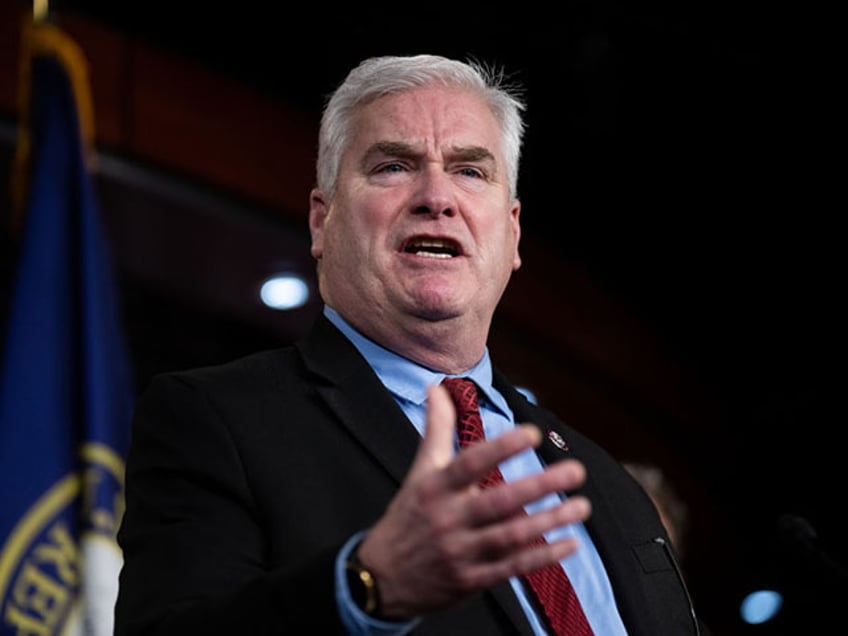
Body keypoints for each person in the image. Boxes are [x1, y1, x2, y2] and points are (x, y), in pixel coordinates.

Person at [114, 54, 710, 635]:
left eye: (470, 171)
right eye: (393, 166)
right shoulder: (217, 422)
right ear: (322, 222)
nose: (437, 197)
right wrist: (366, 589)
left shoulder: (607, 483)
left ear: (513, 230)